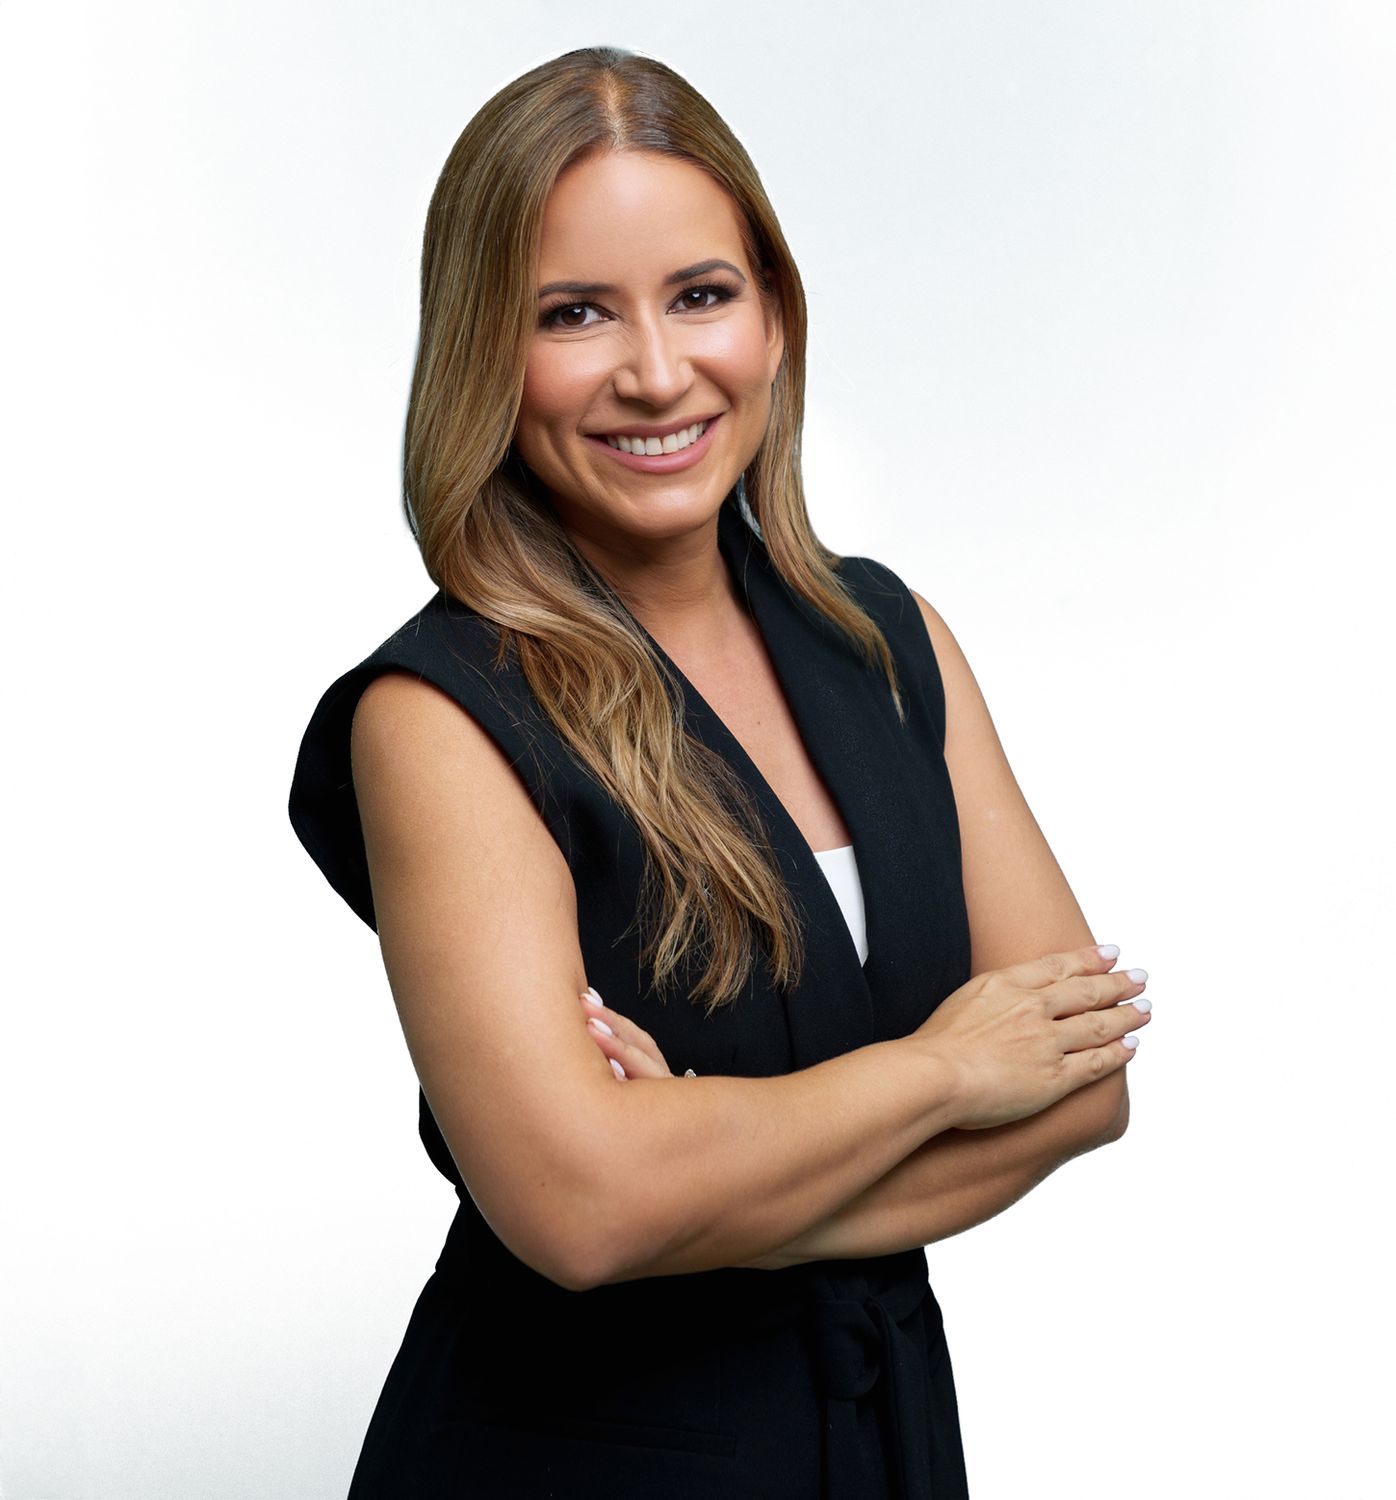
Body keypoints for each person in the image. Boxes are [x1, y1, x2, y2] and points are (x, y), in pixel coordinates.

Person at [287, 44, 1149, 1500]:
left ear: (775, 317)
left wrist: (701, 1181)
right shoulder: (440, 714)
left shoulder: (887, 641)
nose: (655, 372)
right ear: (485, 351)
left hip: (879, 1440)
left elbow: (1078, 1084)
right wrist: (946, 1069)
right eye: (574, 313)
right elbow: (578, 1209)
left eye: (701, 295)